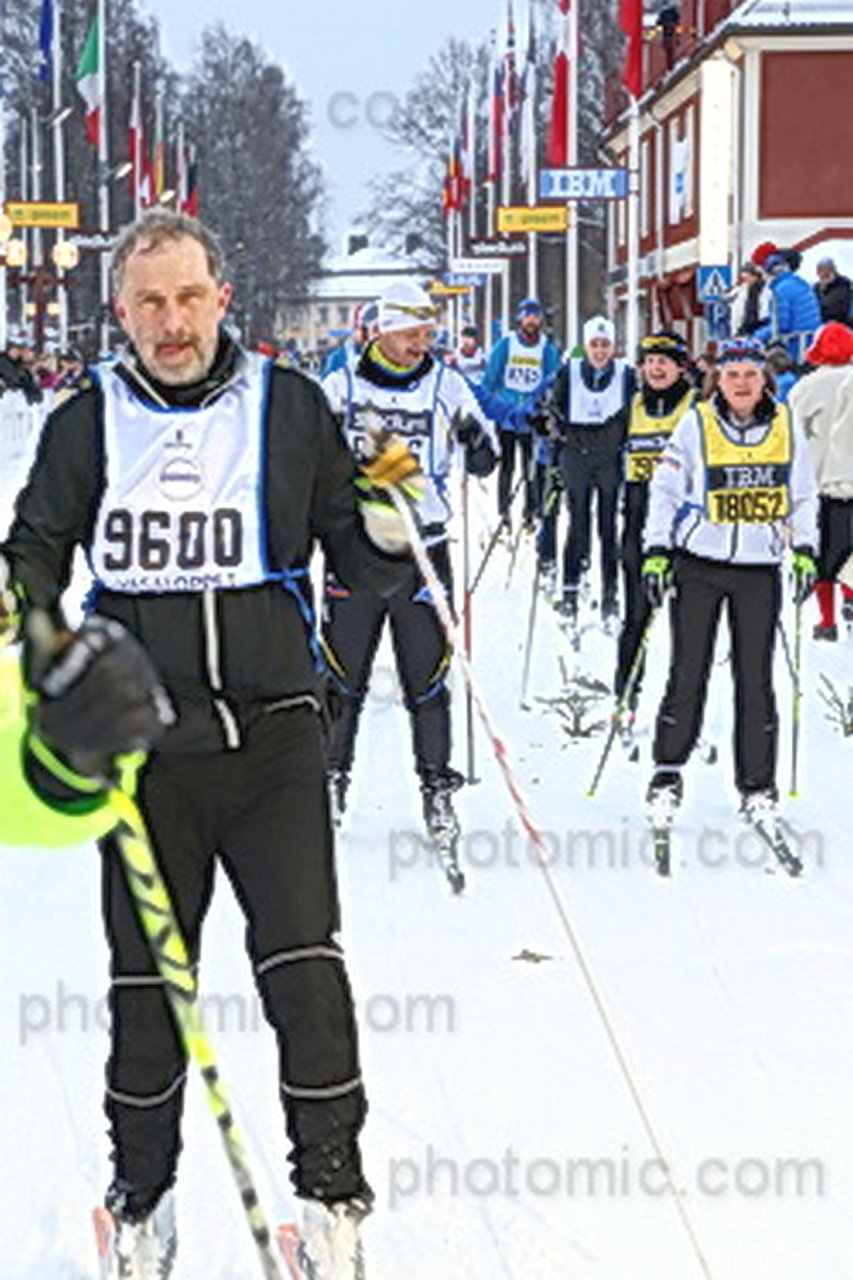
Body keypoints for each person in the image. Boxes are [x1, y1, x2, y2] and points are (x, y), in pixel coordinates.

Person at [1, 209, 422, 1280]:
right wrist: (35, 637)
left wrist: (391, 520)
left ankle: (330, 1200)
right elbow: (36, 555)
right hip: (143, 758)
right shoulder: (88, 419)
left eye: (188, 296)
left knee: (304, 974)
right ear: (121, 311)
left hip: (273, 740)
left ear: (221, 297)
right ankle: (141, 1203)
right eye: (149, 302)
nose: (172, 321)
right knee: (148, 990)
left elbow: (359, 552)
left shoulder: (288, 405)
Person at [320, 281, 498, 859]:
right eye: (412, 333)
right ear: (383, 331)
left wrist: (477, 442)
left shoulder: (447, 385)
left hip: (424, 549)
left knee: (427, 678)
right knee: (342, 676)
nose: (422, 343)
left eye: (427, 333)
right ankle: (331, 779)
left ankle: (437, 788)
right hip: (358, 551)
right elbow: (305, 456)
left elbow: (487, 456)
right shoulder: (341, 386)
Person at [641, 336, 818, 832]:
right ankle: (667, 772)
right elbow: (665, 490)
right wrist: (656, 550)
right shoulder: (696, 423)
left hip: (759, 568)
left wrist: (805, 548)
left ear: (765, 379)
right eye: (732, 374)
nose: (741, 384)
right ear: (717, 379)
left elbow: (804, 493)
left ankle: (757, 786)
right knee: (687, 670)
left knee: (755, 678)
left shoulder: (785, 425)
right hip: (699, 564)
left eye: (750, 374)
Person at [615, 331, 697, 719]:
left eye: (664, 361)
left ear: (680, 367)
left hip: (687, 528)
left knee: (689, 626)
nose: (656, 368)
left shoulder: (698, 408)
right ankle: (625, 696)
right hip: (639, 521)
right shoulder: (631, 406)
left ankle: (682, 707)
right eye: (649, 361)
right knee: (636, 617)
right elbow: (600, 443)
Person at [542, 314, 635, 622]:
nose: (599, 351)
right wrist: (552, 428)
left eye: (605, 345)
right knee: (577, 523)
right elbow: (554, 406)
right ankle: (569, 592)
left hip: (609, 456)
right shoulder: (569, 372)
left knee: (608, 528)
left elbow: (634, 410)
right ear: (586, 346)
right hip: (576, 453)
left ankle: (610, 596)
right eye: (594, 345)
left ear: (613, 347)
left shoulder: (625, 374)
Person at [788, 321, 853, 639]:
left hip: (821, 486)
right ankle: (850, 600)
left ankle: (826, 621)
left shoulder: (805, 388)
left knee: (823, 555)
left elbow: (792, 435)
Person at [481, 298, 561, 533]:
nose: (532, 321)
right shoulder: (506, 345)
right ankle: (503, 512)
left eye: (535, 317)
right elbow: (490, 378)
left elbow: (554, 379)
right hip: (507, 414)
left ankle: (530, 512)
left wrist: (548, 407)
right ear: (520, 319)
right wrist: (488, 408)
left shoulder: (546, 348)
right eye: (528, 317)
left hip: (532, 416)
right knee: (507, 465)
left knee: (531, 467)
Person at [754, 251, 822, 364]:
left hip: (794, 345)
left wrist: (756, 337)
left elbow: (780, 325)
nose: (763, 278)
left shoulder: (780, 290)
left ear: (771, 273)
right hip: (810, 341)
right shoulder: (800, 284)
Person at [813, 257, 853, 327]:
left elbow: (832, 308)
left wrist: (822, 291)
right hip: (823, 324)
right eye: (820, 273)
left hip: (842, 324)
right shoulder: (817, 287)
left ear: (833, 271)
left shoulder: (843, 284)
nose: (822, 276)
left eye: (826, 273)